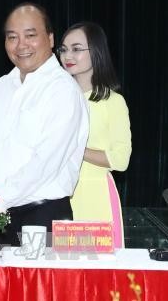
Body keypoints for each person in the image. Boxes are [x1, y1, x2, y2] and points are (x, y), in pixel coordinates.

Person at [0, 2, 89, 246]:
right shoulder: (2, 85)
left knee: (36, 286)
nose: (21, 45)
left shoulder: (62, 90)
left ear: (50, 39)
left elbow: (45, 163)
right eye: (12, 37)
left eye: (30, 35)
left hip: (39, 218)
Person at [58, 21, 132, 248]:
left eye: (77, 49)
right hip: (55, 197)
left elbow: (120, 160)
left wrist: (75, 147)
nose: (67, 55)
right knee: (61, 277)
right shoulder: (55, 99)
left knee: (94, 278)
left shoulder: (112, 101)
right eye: (63, 49)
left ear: (97, 52)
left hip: (93, 196)